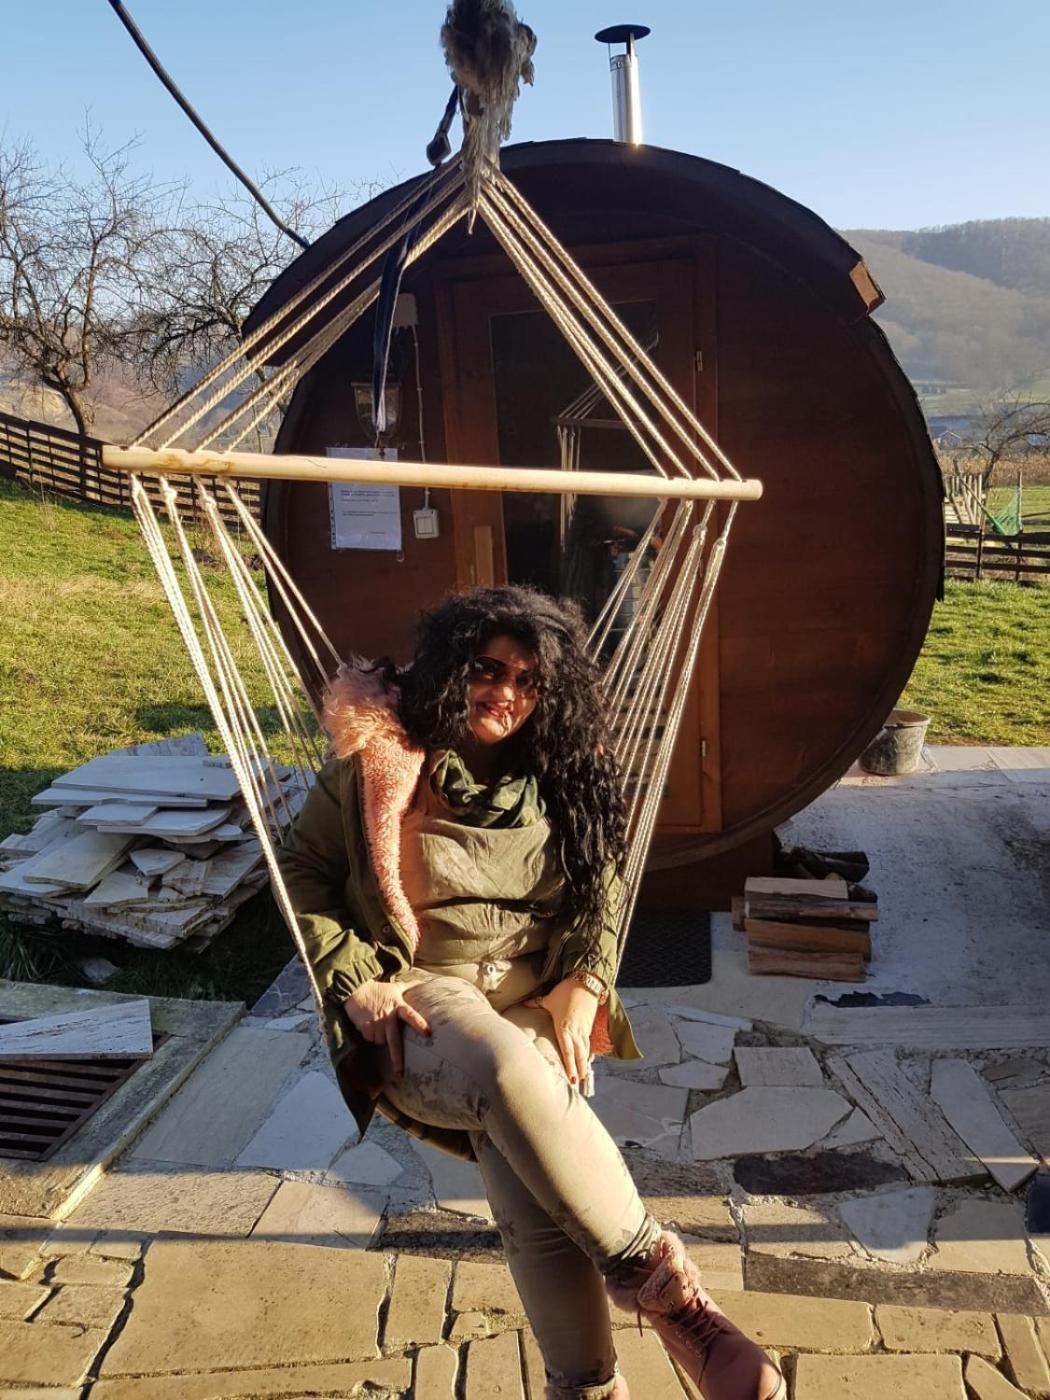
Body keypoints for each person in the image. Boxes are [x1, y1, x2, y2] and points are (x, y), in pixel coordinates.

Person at [278, 585, 784, 1400]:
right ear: (450, 667)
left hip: (535, 995)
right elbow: (302, 870)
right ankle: (668, 1292)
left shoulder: (562, 771)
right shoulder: (379, 763)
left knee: (533, 1183)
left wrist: (587, 980)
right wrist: (354, 979)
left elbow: (602, 881)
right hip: (424, 995)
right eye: (487, 669)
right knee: (509, 1070)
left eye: (526, 679)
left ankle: (584, 1388)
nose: (505, 693)